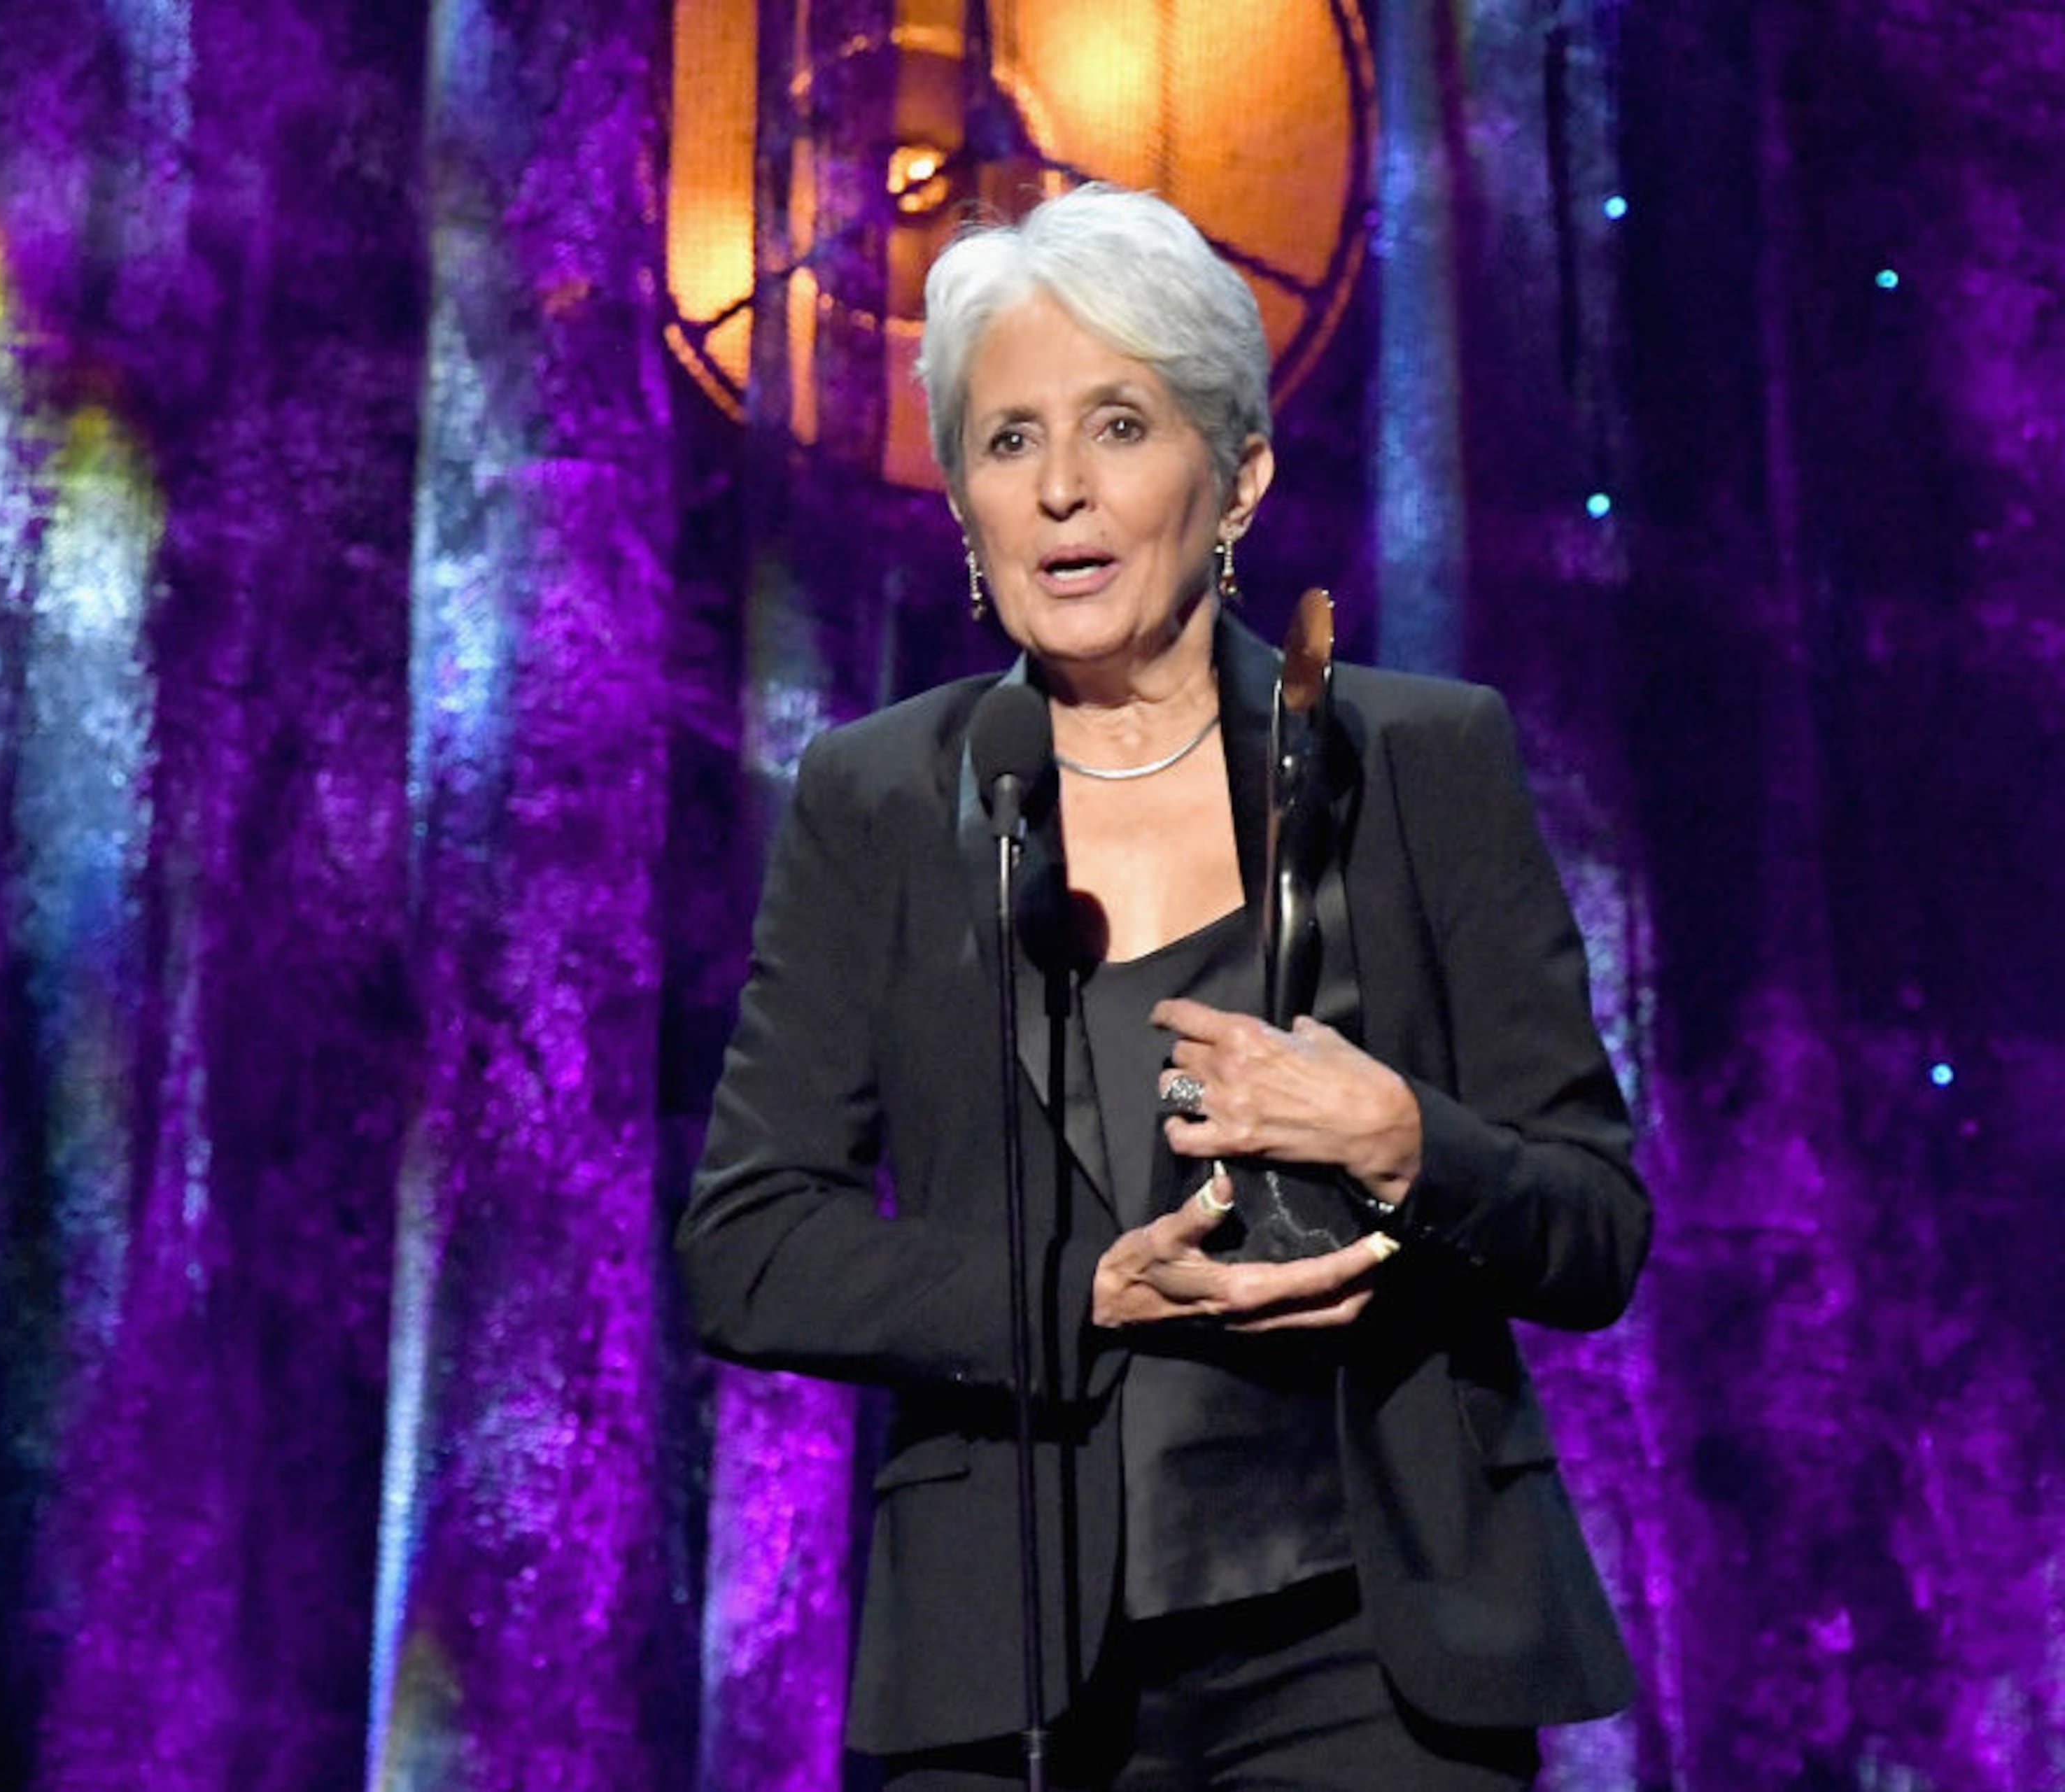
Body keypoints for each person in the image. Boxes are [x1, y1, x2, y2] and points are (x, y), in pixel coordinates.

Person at [675, 184, 1649, 1791]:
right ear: (966, 510)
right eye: (1007, 442)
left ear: (1238, 474)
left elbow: (1595, 1227)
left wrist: (1410, 1140)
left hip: (1376, 1658)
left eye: (1120, 426)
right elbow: (749, 1247)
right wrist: (1083, 1295)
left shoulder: (1419, 762)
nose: (1062, 489)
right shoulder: (884, 798)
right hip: (1013, 1677)